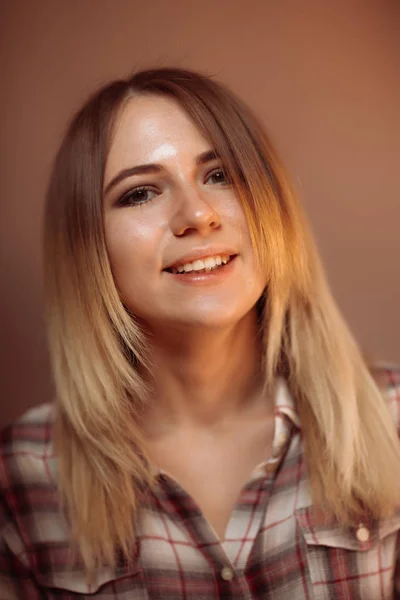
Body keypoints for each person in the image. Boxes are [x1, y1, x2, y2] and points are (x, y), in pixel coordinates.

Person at [1, 67, 399, 599]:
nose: (197, 215)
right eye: (140, 193)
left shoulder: (392, 420)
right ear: (87, 247)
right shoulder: (19, 480)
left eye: (221, 175)